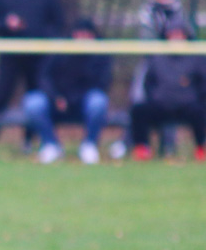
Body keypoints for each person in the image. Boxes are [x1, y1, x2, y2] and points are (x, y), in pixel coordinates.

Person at [0, 0, 65, 154]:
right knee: (1, 98)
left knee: (35, 99)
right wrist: (6, 24)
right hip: (11, 58)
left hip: (38, 59)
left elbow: (58, 23)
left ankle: (29, 142)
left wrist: (42, 35)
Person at [23, 17, 112, 164]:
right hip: (56, 102)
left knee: (98, 101)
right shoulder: (60, 51)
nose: (82, 39)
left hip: (83, 102)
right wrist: (56, 97)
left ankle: (89, 145)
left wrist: (73, 99)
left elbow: (102, 83)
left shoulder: (99, 55)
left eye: (87, 35)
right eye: (79, 34)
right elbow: (44, 78)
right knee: (33, 102)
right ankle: (51, 145)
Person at [130, 16, 206, 162]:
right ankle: (142, 149)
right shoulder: (157, 57)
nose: (176, 38)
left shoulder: (196, 58)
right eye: (172, 35)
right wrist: (157, 97)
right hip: (161, 105)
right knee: (139, 110)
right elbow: (148, 83)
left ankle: (201, 149)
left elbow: (203, 85)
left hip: (188, 106)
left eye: (179, 34)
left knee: (199, 111)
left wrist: (191, 97)